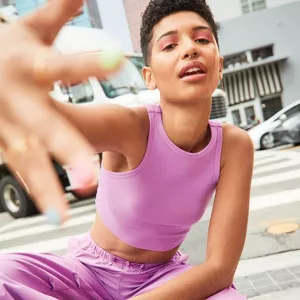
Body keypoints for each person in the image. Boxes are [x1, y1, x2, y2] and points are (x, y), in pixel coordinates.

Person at [0, 0, 254, 299]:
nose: (190, 48)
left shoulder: (234, 146)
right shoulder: (131, 125)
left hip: (163, 279)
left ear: (219, 66)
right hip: (87, 274)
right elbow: (51, 119)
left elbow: (220, 268)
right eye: (169, 45)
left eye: (202, 39)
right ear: (149, 77)